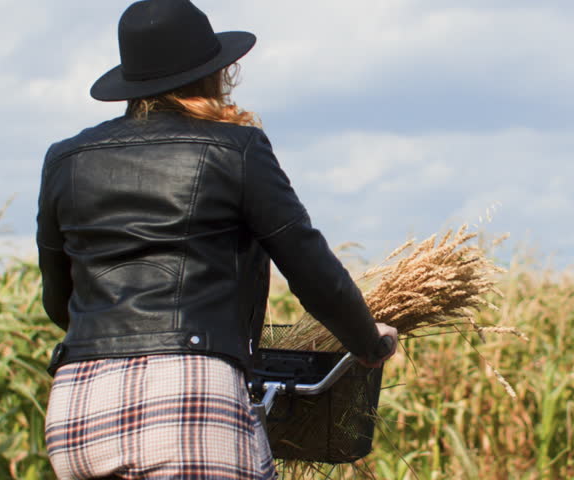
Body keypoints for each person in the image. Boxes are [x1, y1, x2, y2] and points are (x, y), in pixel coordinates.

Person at [37, 1, 398, 478]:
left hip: (79, 406)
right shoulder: (236, 149)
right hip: (187, 396)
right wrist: (368, 342)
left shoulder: (65, 159)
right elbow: (309, 267)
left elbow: (58, 300)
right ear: (212, 75)